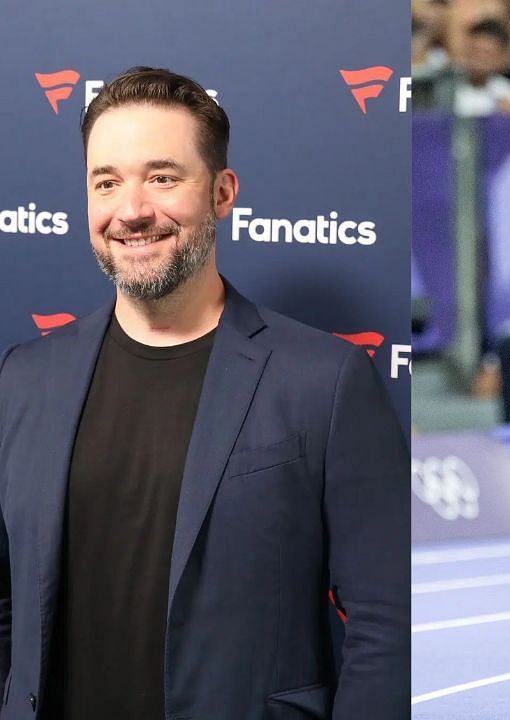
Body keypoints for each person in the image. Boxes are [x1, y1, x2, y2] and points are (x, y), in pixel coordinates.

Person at [0, 68, 408, 719]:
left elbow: (387, 622)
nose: (131, 210)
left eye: (162, 177)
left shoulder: (324, 380)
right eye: (106, 182)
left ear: (222, 192)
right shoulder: (23, 378)